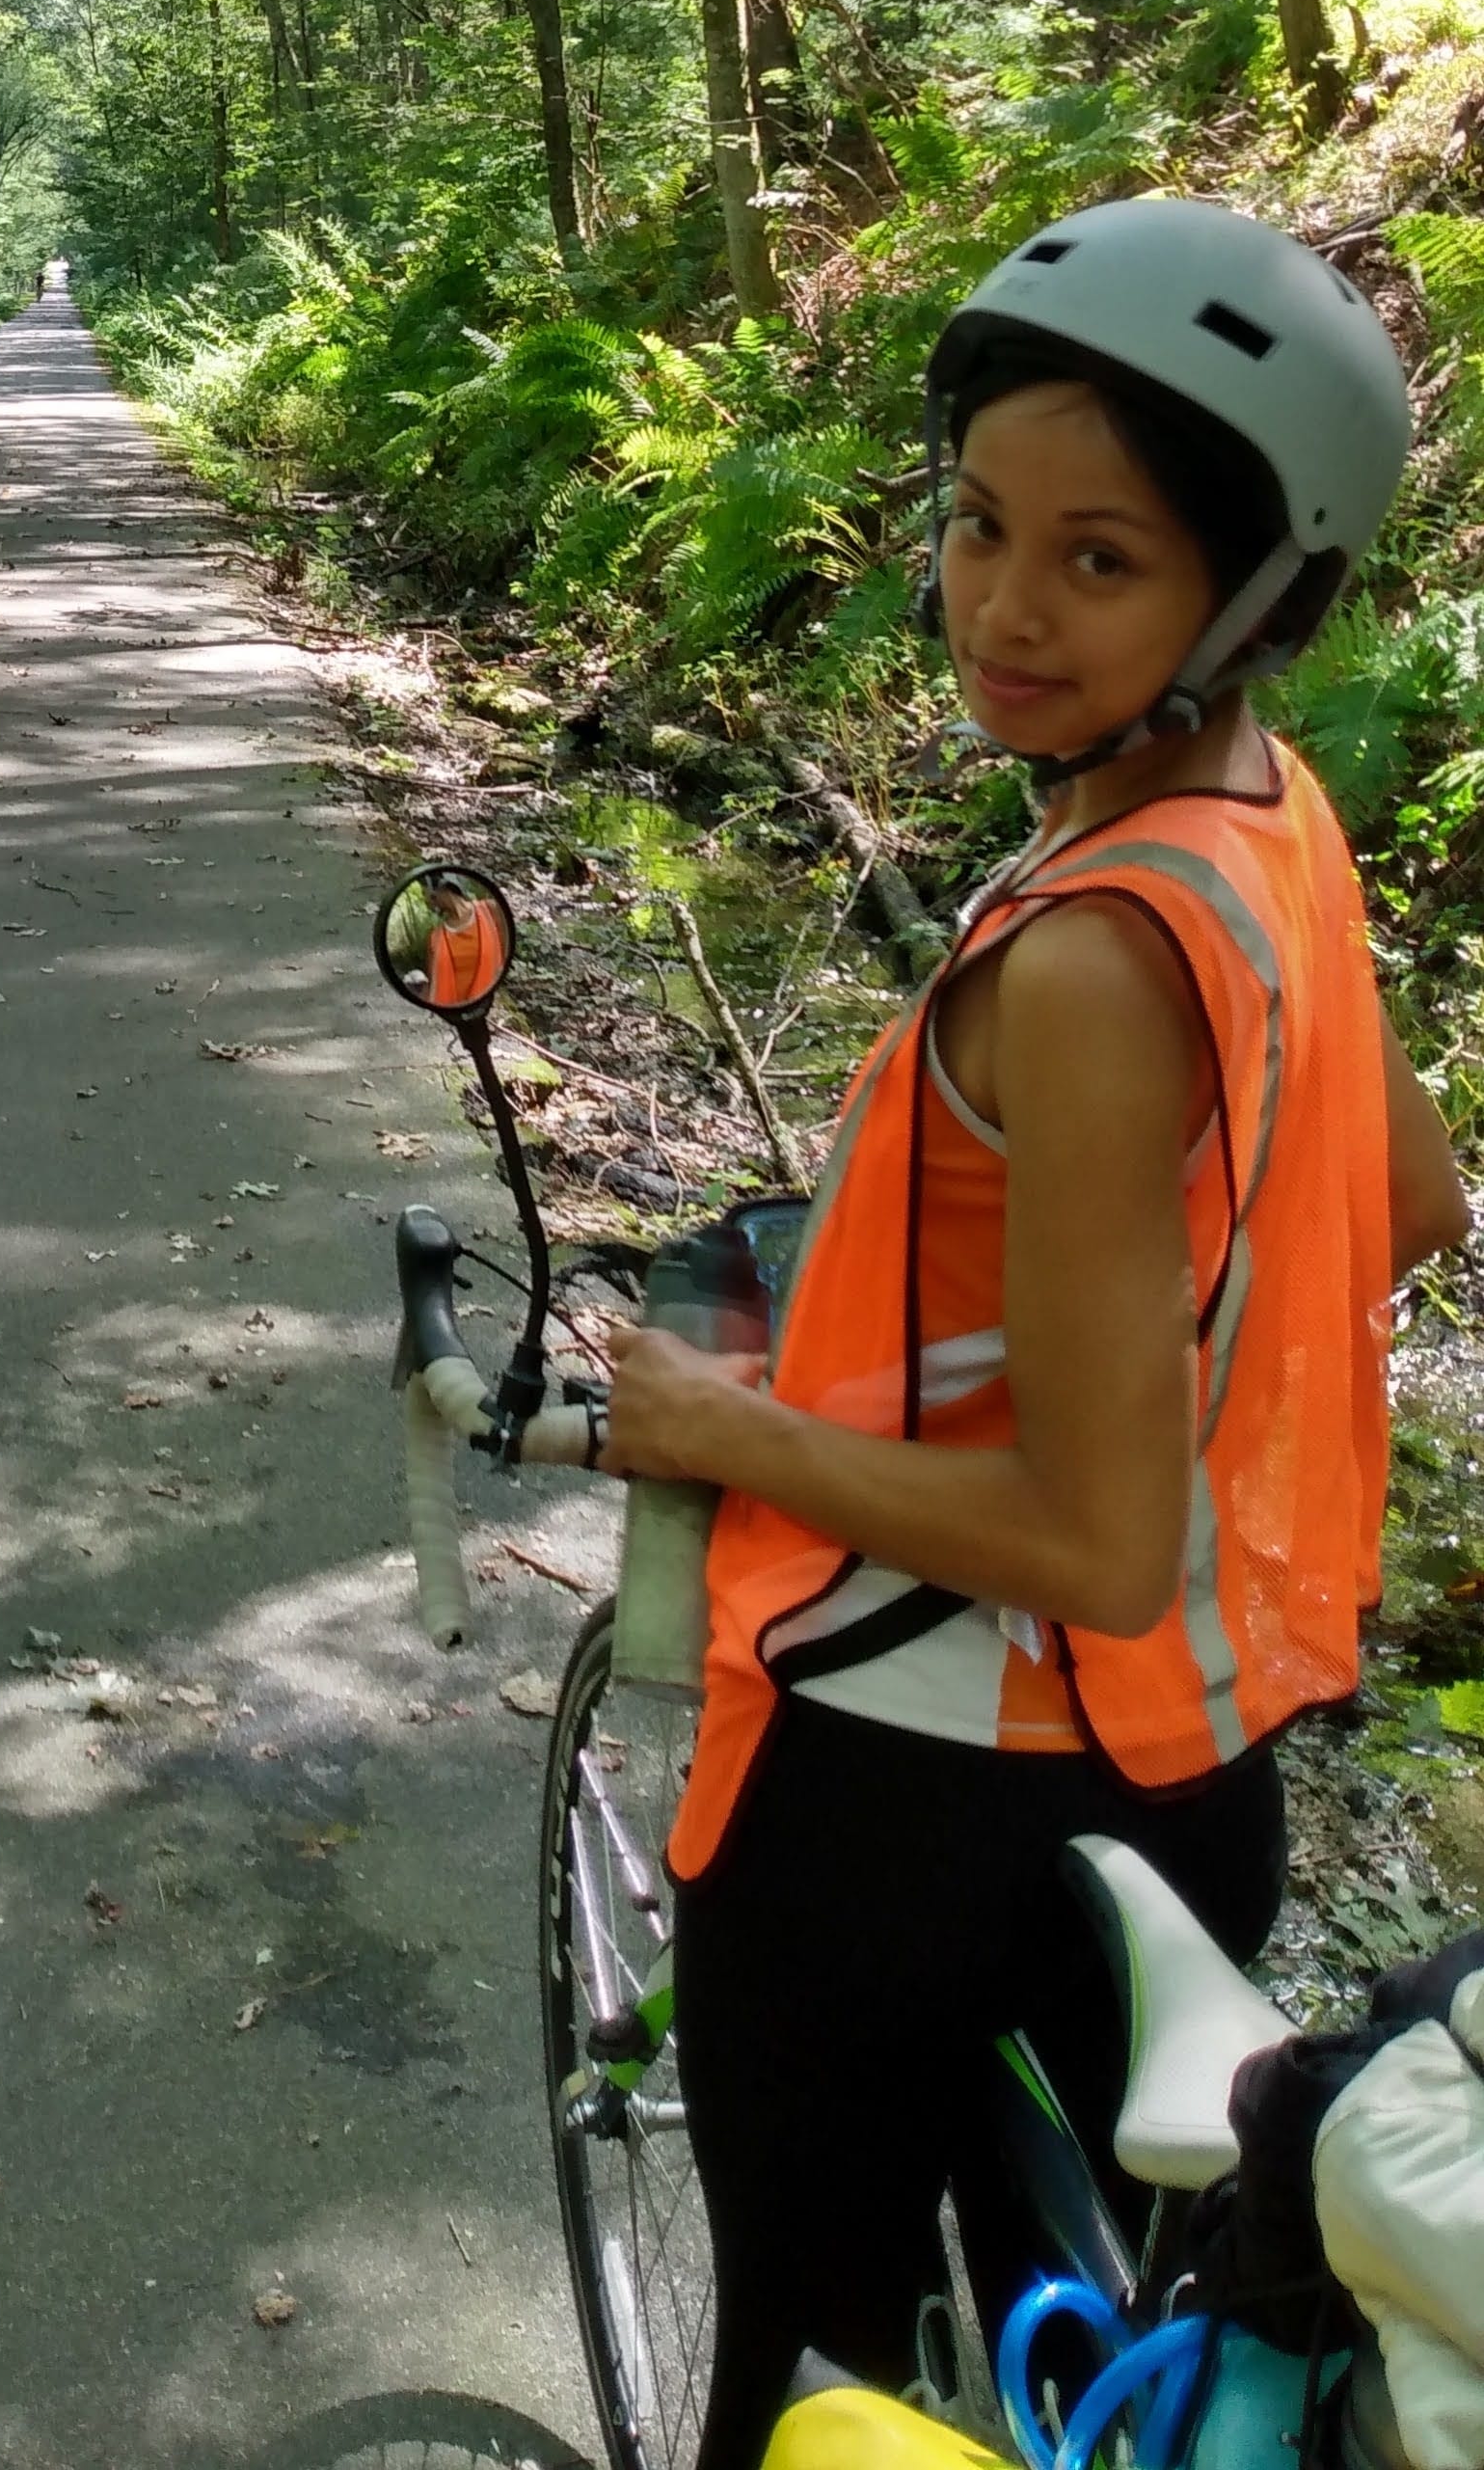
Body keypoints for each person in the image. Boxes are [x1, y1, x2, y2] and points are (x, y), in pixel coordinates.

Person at [600, 199, 1472, 2470]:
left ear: (1251, 594)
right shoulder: (1268, 822)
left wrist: (717, 1415)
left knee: (812, 2383)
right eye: (983, 523)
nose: (1004, 603)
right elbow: (1412, 1194)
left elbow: (1088, 1536)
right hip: (1202, 1774)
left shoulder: (1090, 954)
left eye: (1102, 559)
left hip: (911, 1801)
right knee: (1123, 2399)